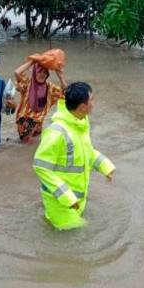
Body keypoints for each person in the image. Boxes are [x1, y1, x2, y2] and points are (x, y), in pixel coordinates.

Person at [33, 82, 116, 230]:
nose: (94, 103)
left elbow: (86, 151)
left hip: (76, 198)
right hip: (59, 201)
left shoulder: (80, 123)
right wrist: (66, 196)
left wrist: (105, 166)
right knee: (76, 239)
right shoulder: (56, 132)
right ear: (82, 107)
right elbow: (41, 166)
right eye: (92, 99)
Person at [14, 52, 67, 144]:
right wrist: (33, 61)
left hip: (38, 123)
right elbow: (17, 72)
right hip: (24, 121)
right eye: (40, 72)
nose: (42, 74)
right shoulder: (27, 83)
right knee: (26, 145)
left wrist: (61, 77)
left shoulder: (50, 87)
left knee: (33, 147)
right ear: (35, 72)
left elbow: (66, 94)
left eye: (45, 72)